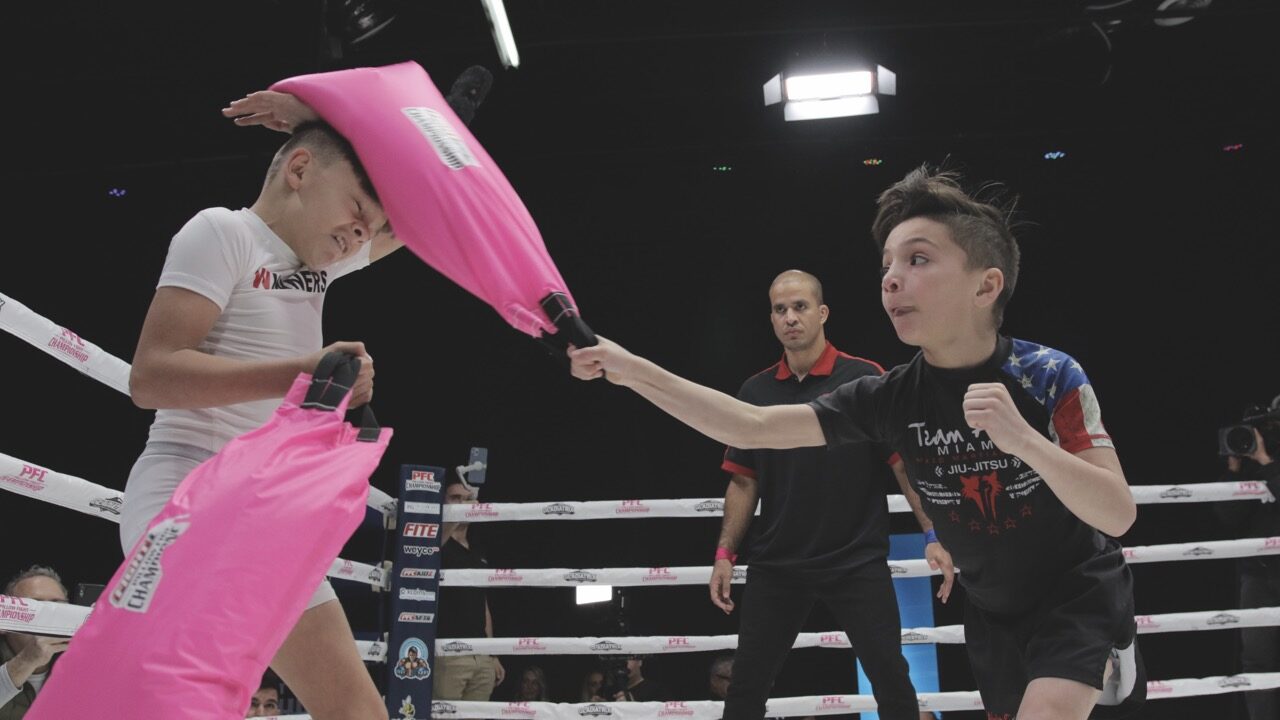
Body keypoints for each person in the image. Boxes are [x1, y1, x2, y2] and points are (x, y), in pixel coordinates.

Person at [569, 165, 1143, 720]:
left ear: (986, 284)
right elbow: (752, 427)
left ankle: (1108, 653)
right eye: (887, 263)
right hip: (991, 608)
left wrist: (1024, 440)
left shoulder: (1048, 374)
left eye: (918, 259)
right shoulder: (888, 397)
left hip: (1073, 591)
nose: (892, 277)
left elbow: (1117, 513)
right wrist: (633, 370)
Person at [123, 91, 403, 718]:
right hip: (186, 490)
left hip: (265, 505)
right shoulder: (223, 232)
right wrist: (300, 375)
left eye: (367, 228)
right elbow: (152, 378)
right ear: (299, 171)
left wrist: (332, 111)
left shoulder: (320, 266)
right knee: (188, 701)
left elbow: (424, 209)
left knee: (358, 711)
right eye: (357, 211)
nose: (362, 233)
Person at [710, 270, 948, 720]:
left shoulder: (865, 378)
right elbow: (744, 479)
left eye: (799, 307)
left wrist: (934, 533)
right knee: (746, 687)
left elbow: (905, 466)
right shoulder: (755, 392)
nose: (790, 318)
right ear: (772, 319)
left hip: (854, 560)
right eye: (780, 309)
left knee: (892, 680)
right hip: (778, 564)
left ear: (822, 313)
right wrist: (725, 552)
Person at [1211, 401, 1279, 720]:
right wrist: (1234, 469)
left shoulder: (1264, 461)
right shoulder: (1251, 462)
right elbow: (1228, 516)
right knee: (1257, 663)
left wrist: (1266, 461)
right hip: (1259, 575)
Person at [434, 478, 506, 701]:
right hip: (449, 653)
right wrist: (458, 513)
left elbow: (482, 604)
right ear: (443, 502)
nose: (461, 504)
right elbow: (431, 550)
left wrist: (492, 654)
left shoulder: (479, 549)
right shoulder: (436, 543)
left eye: (467, 500)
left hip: (480, 655)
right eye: (455, 498)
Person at [0, 567, 71, 720]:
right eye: (35, 606)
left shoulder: (79, 664)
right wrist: (25, 661)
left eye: (58, 605)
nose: (49, 616)